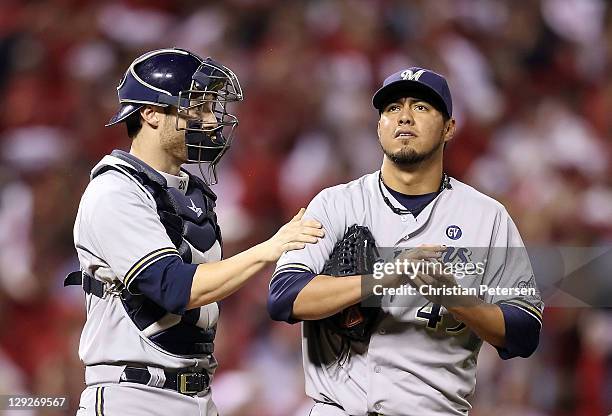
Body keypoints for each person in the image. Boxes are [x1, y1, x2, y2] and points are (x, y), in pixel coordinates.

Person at [268, 67, 544, 415]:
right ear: (379, 125)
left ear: (449, 128)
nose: (404, 117)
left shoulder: (486, 217)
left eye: (421, 107)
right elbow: (284, 297)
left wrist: (455, 298)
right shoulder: (336, 204)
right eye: (393, 108)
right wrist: (384, 277)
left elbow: (525, 331)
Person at [67, 48, 324, 416]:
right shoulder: (115, 191)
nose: (209, 120)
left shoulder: (189, 194)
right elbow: (174, 287)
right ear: (151, 114)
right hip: (135, 397)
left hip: (196, 394)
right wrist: (269, 249)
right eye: (197, 107)